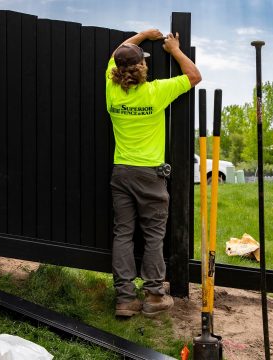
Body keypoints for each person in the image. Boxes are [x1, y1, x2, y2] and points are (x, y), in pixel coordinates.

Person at [105, 29, 201, 317]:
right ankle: (154, 297)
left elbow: (118, 51)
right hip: (150, 175)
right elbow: (194, 76)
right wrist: (174, 49)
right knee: (153, 237)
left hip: (121, 172)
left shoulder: (111, 90)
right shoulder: (156, 92)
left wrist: (143, 34)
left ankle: (124, 299)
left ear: (118, 70)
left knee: (123, 234)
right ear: (142, 68)